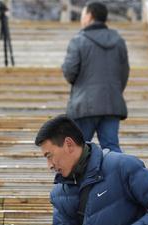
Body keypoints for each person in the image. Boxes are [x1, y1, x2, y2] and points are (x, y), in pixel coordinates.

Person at [61, 2, 129, 153]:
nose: (81, 18)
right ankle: (116, 170)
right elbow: (123, 73)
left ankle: (83, 170)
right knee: (111, 148)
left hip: (84, 105)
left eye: (83, 14)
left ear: (89, 16)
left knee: (78, 149)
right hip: (111, 103)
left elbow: (70, 72)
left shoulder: (78, 41)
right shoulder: (118, 41)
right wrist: (114, 91)